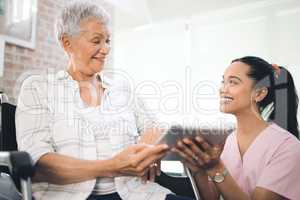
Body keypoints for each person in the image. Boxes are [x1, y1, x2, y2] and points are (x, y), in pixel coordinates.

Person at [15, 1, 193, 200]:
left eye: (108, 40)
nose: (106, 49)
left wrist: (147, 151)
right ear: (67, 43)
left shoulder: (122, 89)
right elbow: (38, 163)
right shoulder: (38, 88)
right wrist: (112, 167)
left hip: (138, 193)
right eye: (96, 40)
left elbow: (155, 128)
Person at [174, 56, 300, 200]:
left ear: (259, 93)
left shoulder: (287, 146)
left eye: (233, 82)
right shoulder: (228, 141)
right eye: (223, 81)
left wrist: (215, 168)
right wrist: (198, 170)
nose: (222, 89)